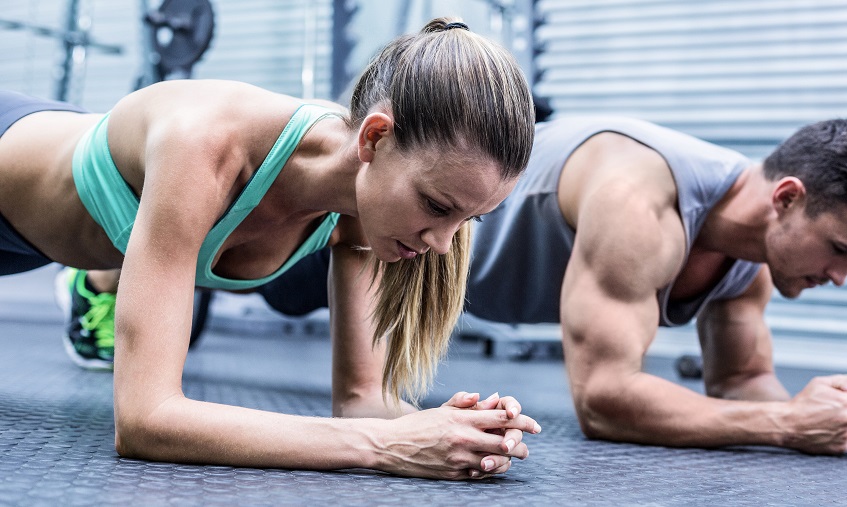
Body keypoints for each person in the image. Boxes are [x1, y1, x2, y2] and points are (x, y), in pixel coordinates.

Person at [0, 18, 541, 479]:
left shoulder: (363, 215)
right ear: (374, 138)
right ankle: (97, 284)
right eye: (437, 206)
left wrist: (453, 429)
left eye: (470, 219)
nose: (444, 245)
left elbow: (361, 402)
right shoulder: (204, 144)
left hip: (54, 232)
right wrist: (385, 446)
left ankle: (99, 277)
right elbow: (146, 420)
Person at [248, 116, 847, 456]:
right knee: (266, 266)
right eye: (840, 249)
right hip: (400, 241)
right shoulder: (641, 199)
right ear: (787, 196)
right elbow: (603, 400)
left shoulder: (755, 256)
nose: (839, 276)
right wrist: (783, 422)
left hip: (454, 281)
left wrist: (821, 413)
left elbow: (743, 379)